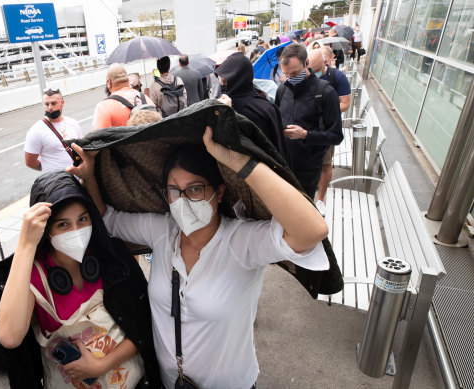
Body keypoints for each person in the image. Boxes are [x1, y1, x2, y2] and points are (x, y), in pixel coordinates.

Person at [68, 125, 329, 389]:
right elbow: (107, 218)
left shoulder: (241, 242)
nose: (182, 201)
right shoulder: (162, 231)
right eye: (174, 191)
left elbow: (312, 231)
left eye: (194, 189)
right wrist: (89, 177)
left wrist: (238, 160)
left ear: (220, 192)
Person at [0, 171, 162, 388]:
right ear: (46, 231)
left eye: (82, 219)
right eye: (63, 225)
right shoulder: (33, 274)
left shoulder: (110, 258)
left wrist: (102, 365)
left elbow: (144, 326)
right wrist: (26, 244)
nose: (76, 231)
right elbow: (10, 337)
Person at [274, 43, 343, 199]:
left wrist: (305, 135)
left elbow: (336, 136)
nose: (291, 78)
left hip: (308, 169)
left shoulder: (325, 92)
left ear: (306, 63)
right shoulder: (282, 90)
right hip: (283, 165)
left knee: (303, 214)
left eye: (295, 73)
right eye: (286, 74)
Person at [216, 52, 291, 165]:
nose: (222, 83)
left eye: (226, 80)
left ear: (238, 79)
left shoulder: (263, 110)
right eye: (222, 79)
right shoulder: (221, 106)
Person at [309, 47, 352, 215]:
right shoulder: (306, 75)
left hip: (327, 129)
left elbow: (346, 103)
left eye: (317, 71)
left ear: (325, 63)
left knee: (325, 164)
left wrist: (326, 109)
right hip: (308, 127)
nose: (314, 74)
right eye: (311, 70)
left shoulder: (337, 77)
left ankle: (320, 198)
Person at [25, 89, 83, 173]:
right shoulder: (36, 130)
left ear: (62, 103)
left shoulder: (73, 123)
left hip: (78, 178)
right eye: (46, 104)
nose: (50, 108)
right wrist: (49, 170)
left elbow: (80, 149)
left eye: (53, 103)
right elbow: (30, 162)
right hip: (56, 183)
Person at [92, 64, 155, 130]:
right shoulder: (146, 99)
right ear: (128, 80)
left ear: (109, 83)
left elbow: (97, 137)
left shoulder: (104, 107)